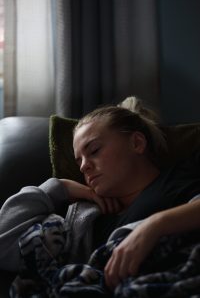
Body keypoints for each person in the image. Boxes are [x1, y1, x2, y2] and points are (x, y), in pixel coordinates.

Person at [0, 96, 200, 292]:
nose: (84, 167)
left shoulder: (182, 175)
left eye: (94, 150)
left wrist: (155, 226)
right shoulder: (86, 219)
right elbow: (4, 241)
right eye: (79, 161)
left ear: (137, 143)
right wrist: (59, 187)